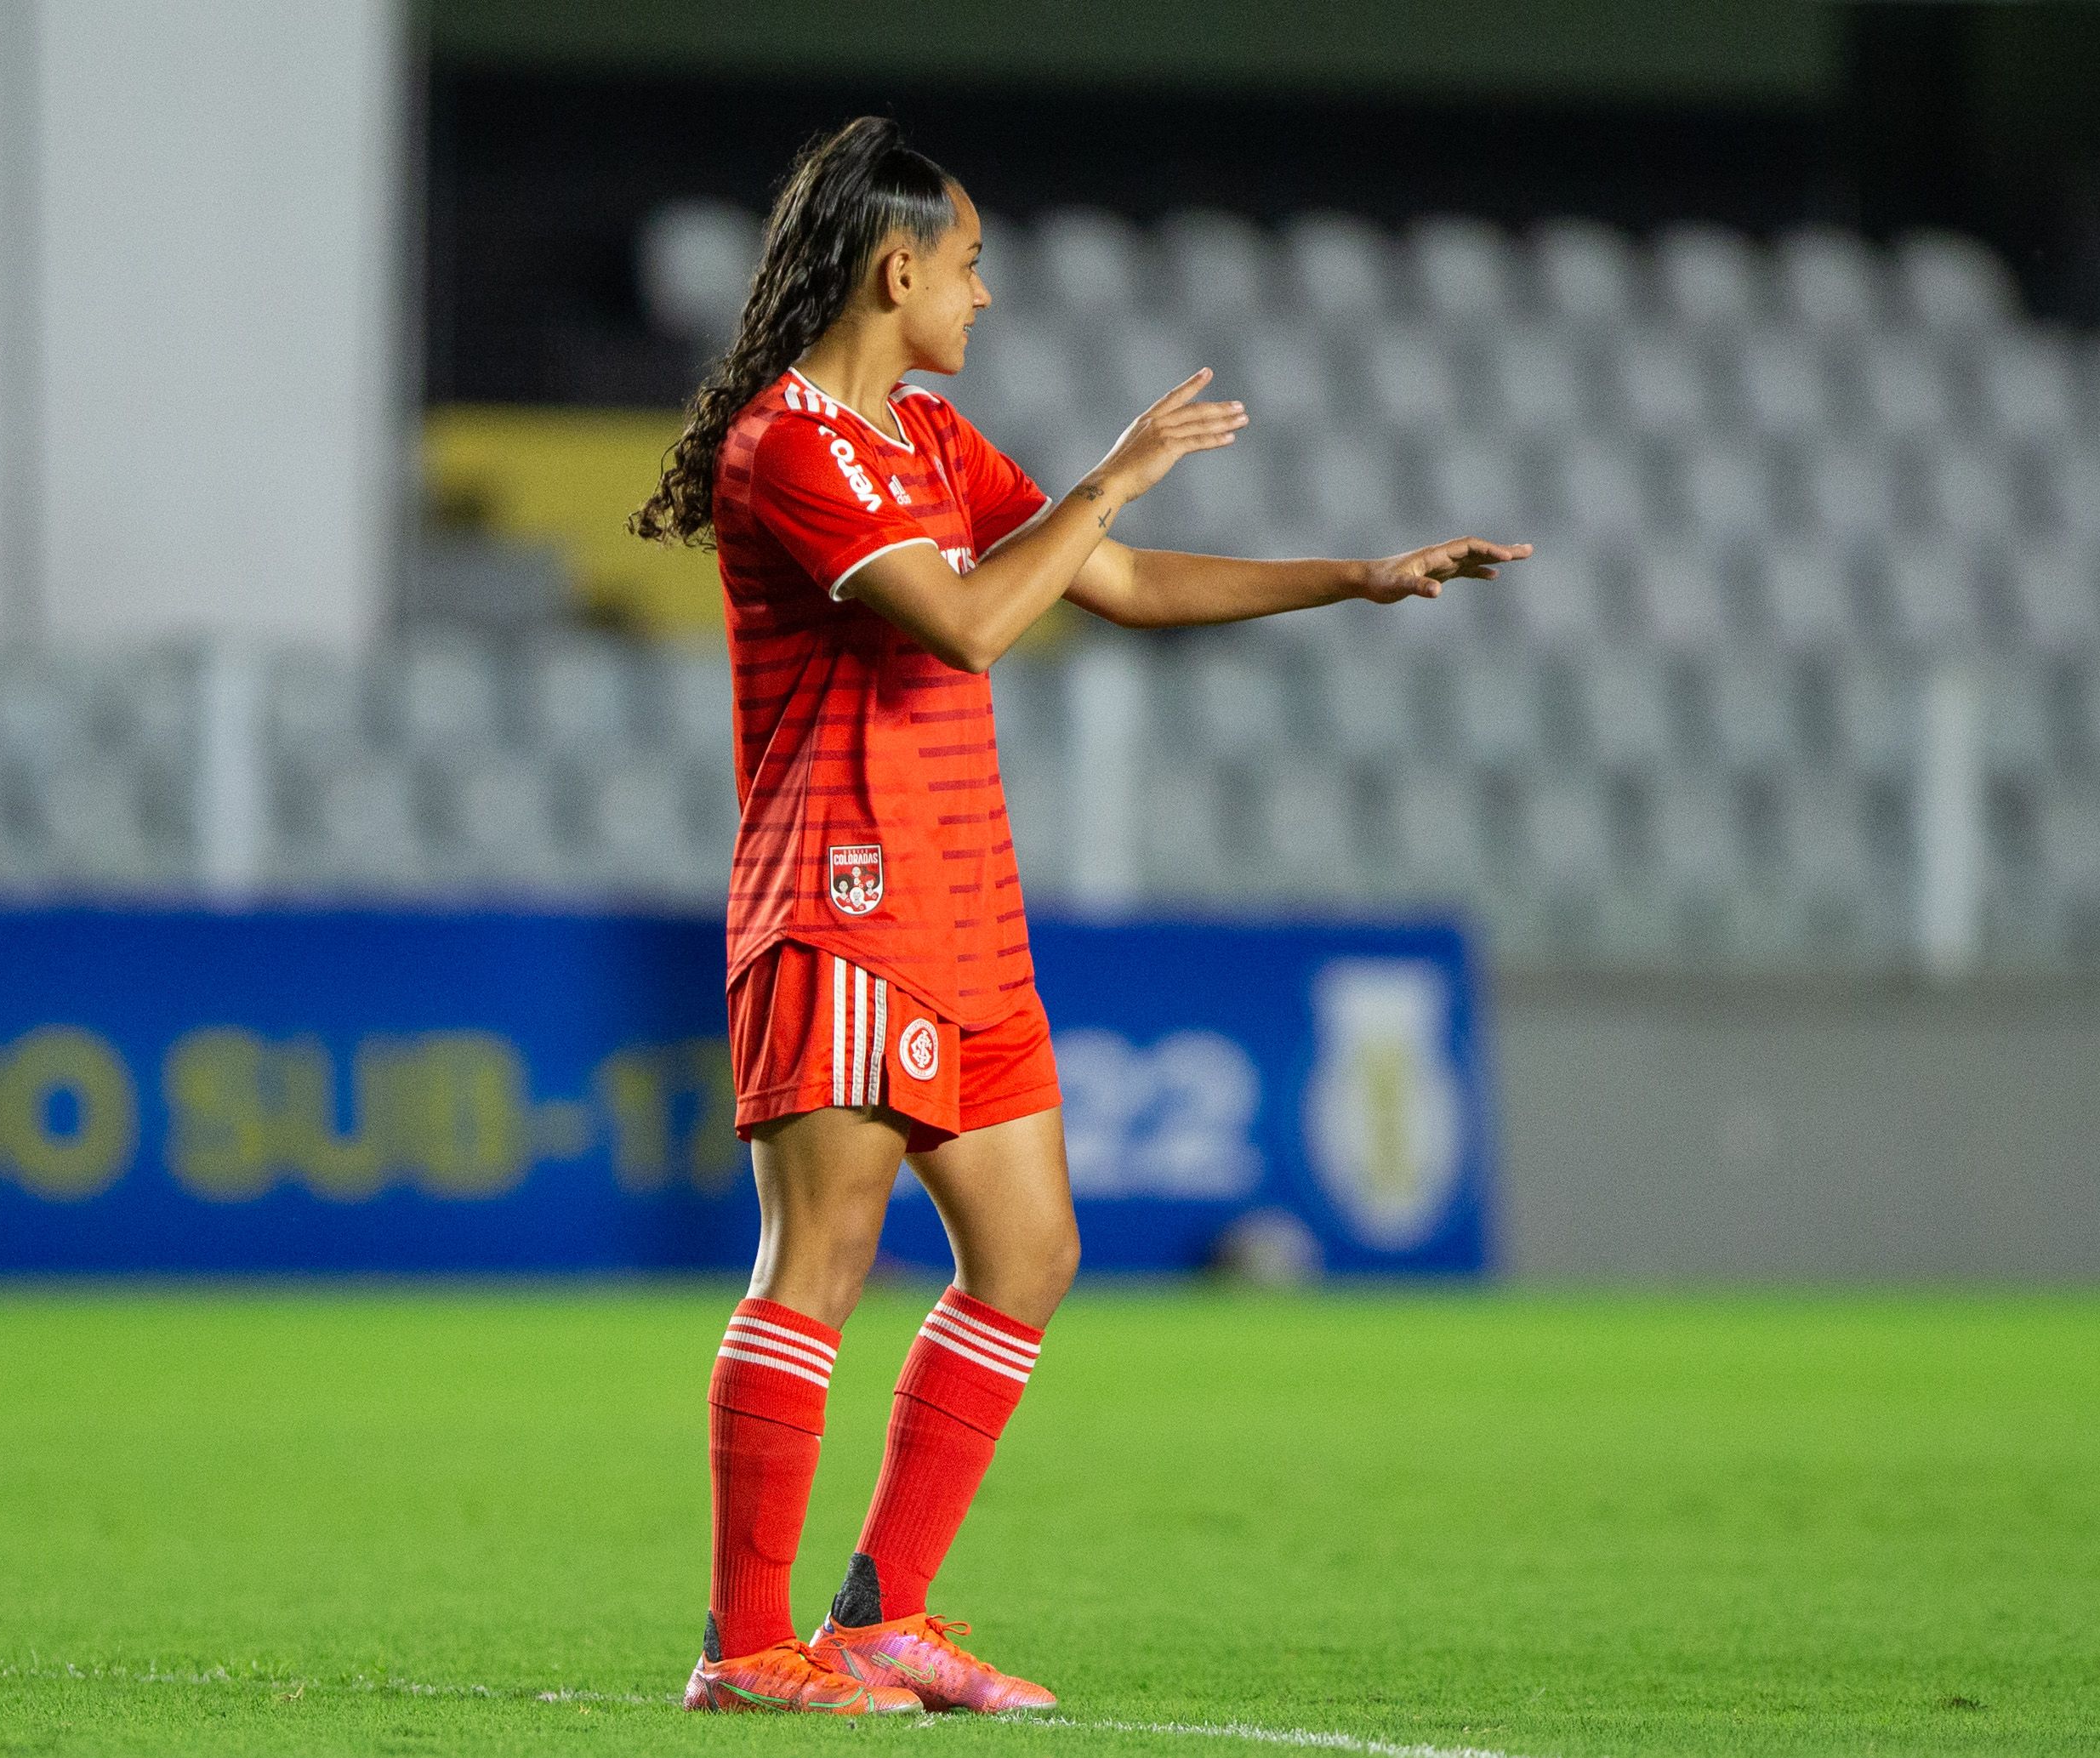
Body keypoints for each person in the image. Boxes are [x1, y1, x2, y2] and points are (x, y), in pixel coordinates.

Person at [631, 116, 1528, 1717]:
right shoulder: (796, 447)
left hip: (964, 912)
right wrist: (1111, 474)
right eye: (970, 267)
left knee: (1031, 1252)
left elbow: (1109, 583)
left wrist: (1358, 577)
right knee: (818, 1259)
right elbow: (977, 621)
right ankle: (748, 1647)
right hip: (841, 898)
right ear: (894, 268)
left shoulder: (921, 440)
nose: (987, 295)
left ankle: (884, 1619)